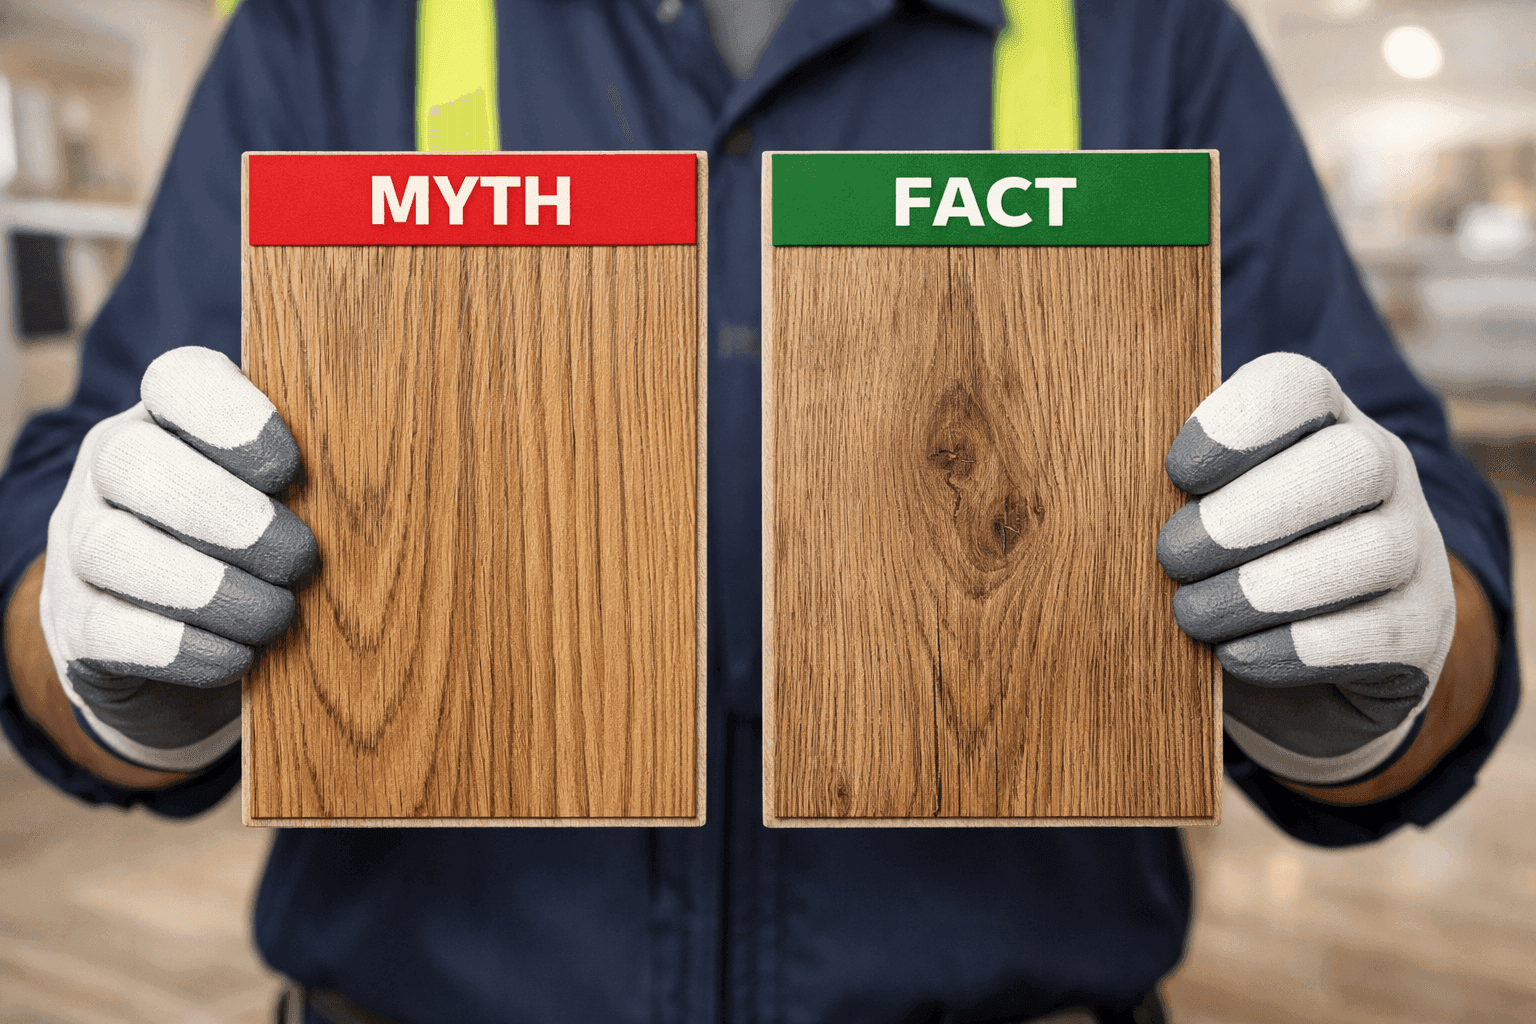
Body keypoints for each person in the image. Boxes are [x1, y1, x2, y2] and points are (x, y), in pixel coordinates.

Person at [0, 0, 1517, 1022]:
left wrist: (1368, 689)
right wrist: (112, 664)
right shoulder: (339, 22)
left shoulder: (1144, 27)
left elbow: (1423, 555)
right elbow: (61, 528)